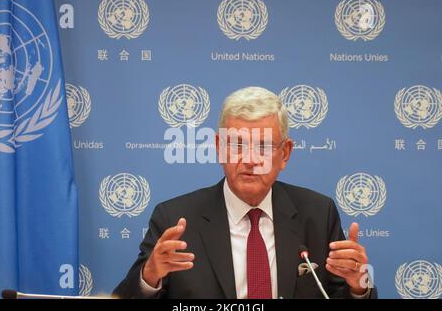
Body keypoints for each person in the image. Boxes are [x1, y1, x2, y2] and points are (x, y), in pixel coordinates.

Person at [113, 87, 377, 299]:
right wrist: (150, 277)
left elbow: (341, 294)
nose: (250, 159)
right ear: (219, 147)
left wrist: (358, 287)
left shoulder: (318, 214)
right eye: (237, 144)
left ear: (284, 153)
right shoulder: (175, 218)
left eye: (263, 146)